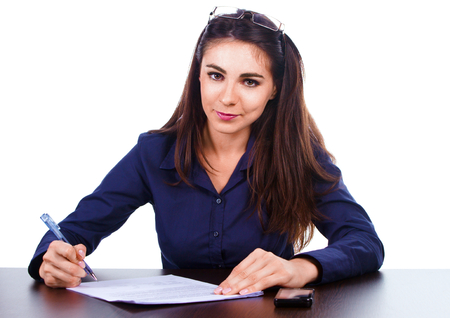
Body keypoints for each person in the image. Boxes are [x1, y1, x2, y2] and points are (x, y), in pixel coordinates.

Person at [29, 7, 384, 294]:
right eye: (216, 75)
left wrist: (297, 268)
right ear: (198, 75)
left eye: (250, 81)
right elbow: (74, 231)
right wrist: (53, 257)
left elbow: (364, 241)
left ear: (274, 89)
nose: (228, 97)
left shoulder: (298, 156)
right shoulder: (153, 154)